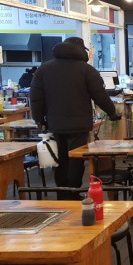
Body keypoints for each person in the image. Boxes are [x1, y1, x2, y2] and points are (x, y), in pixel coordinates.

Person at [30, 37, 121, 199]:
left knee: (60, 159)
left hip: (55, 124)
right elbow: (100, 95)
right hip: (79, 125)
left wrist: (39, 119)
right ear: (80, 50)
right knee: (76, 159)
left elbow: (36, 97)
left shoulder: (44, 69)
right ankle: (73, 193)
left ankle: (62, 194)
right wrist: (112, 113)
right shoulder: (86, 70)